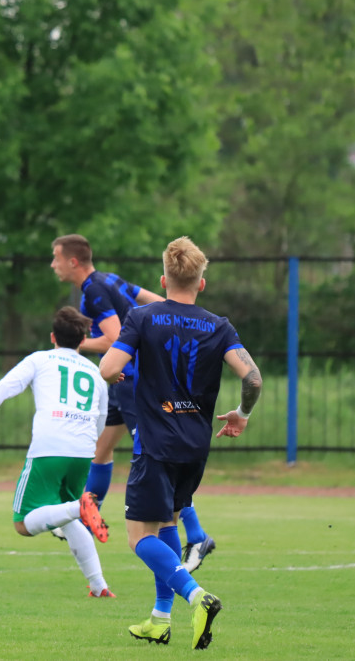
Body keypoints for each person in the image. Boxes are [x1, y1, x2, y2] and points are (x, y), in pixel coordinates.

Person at [98, 237, 262, 649]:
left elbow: (108, 368)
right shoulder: (219, 325)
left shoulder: (142, 317)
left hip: (155, 444)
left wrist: (117, 370)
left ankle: (198, 597)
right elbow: (253, 378)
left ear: (163, 279)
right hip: (194, 446)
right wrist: (241, 414)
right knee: (169, 521)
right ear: (201, 284)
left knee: (139, 537)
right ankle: (159, 618)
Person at [51, 234, 215, 570]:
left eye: (55, 258)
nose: (52, 264)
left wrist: (74, 346)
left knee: (161, 458)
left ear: (73, 261)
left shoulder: (94, 290)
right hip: (122, 382)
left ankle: (196, 535)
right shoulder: (109, 279)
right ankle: (85, 511)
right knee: (101, 449)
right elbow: (160, 299)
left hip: (132, 381)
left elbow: (113, 338)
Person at [0, 307, 115, 598]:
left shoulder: (40, 359)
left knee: (22, 524)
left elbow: (2, 389)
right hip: (82, 452)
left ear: (53, 336)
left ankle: (79, 507)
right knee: (68, 521)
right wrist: (87, 446)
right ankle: (99, 586)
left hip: (49, 449)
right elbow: (102, 417)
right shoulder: (95, 370)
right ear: (83, 341)